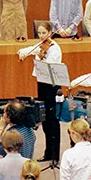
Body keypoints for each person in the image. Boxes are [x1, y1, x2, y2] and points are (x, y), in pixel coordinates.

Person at [18, 22, 62, 163]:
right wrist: (23, 53)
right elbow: (26, 50)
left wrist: (39, 55)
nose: (41, 36)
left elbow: (48, 66)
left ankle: (55, 154)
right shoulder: (40, 46)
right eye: (39, 33)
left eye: (44, 33)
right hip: (42, 84)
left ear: (50, 33)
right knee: (44, 118)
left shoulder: (54, 48)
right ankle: (48, 152)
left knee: (52, 120)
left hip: (52, 85)